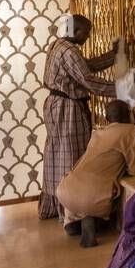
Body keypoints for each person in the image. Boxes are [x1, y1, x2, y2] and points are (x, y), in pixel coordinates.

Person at [39, 14, 120, 220]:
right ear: (76, 32)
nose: (88, 37)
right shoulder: (69, 51)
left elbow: (86, 66)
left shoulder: (59, 45)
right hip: (67, 108)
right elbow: (87, 80)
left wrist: (113, 56)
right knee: (70, 154)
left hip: (58, 105)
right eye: (86, 33)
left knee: (57, 153)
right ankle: (72, 209)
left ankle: (58, 203)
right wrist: (122, 89)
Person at [55, 99, 135, 248]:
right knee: (101, 201)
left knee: (84, 194)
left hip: (66, 190)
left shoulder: (97, 133)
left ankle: (74, 220)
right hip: (93, 194)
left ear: (107, 118)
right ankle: (91, 218)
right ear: (128, 115)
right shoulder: (130, 131)